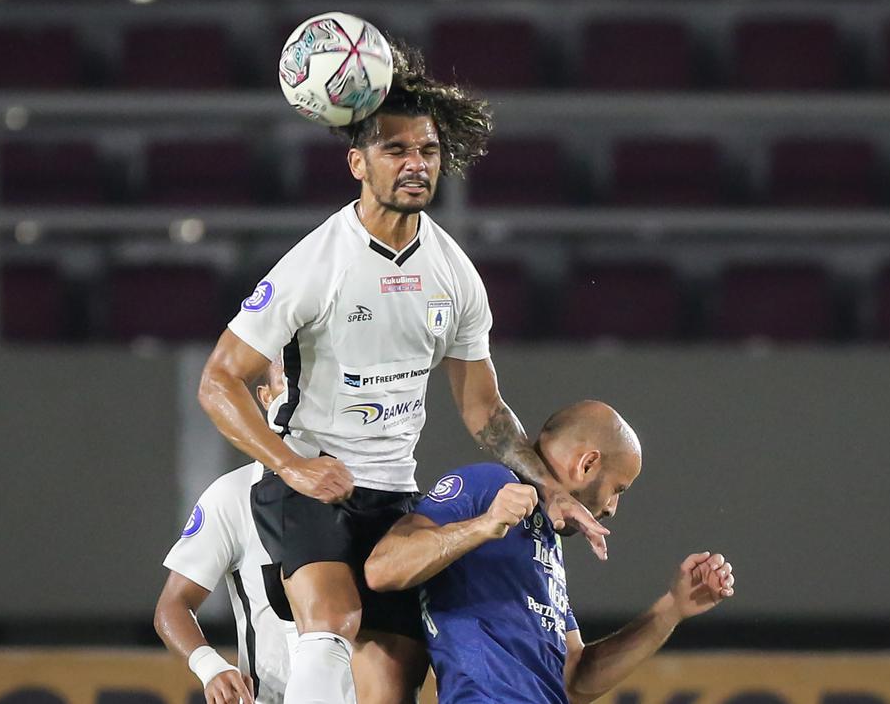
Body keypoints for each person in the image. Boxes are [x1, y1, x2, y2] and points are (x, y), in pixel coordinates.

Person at [196, 44, 608, 704]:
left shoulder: (454, 276)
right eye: (396, 150)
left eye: (428, 151)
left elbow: (484, 411)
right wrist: (289, 466)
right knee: (332, 622)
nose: (416, 164)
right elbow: (218, 381)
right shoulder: (315, 264)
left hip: (392, 497)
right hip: (312, 478)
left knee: (391, 682)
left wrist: (548, 487)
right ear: (357, 163)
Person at [365, 400, 737, 704]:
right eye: (618, 488)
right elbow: (382, 569)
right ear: (587, 463)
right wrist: (482, 525)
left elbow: (574, 680)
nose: (611, 507)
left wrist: (671, 608)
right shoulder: (491, 484)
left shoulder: (546, 539)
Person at [156, 362, 309, 704]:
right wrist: (210, 667)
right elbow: (174, 604)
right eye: (290, 382)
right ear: (266, 397)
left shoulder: (367, 489)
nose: (303, 394)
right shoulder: (232, 497)